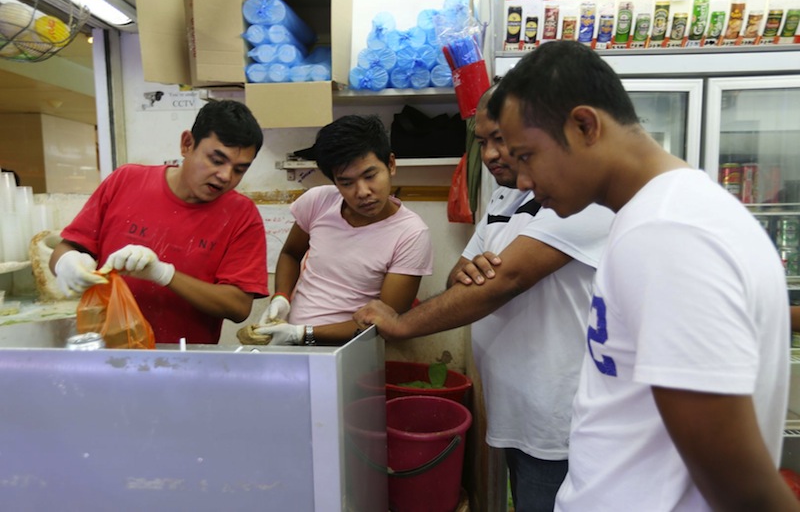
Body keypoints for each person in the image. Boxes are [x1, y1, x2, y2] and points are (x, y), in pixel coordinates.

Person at [486, 40, 796, 511]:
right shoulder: (652, 216)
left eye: (526, 156)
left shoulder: (668, 232)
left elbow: (738, 481)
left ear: (584, 125)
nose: (522, 181)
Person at [353, 88, 614, 511]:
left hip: (561, 415)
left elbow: (503, 279)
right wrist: (475, 278)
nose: (492, 155)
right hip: (515, 405)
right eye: (482, 142)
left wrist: (401, 324)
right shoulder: (504, 195)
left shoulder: (578, 197)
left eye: (503, 140)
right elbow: (464, 275)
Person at [49, 100, 268, 345]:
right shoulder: (126, 181)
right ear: (187, 144)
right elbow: (66, 249)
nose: (226, 176)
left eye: (239, 170)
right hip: (108, 350)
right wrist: (67, 263)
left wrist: (163, 274)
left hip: (184, 359)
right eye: (216, 160)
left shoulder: (242, 216)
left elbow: (238, 306)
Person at [252, 114, 433, 346]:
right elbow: (290, 254)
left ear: (390, 164)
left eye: (370, 176)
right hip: (291, 341)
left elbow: (386, 323)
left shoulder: (411, 234)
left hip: (352, 351)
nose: (363, 192)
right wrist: (281, 297)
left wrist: (302, 334)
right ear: (335, 182)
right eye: (346, 183)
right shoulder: (318, 201)